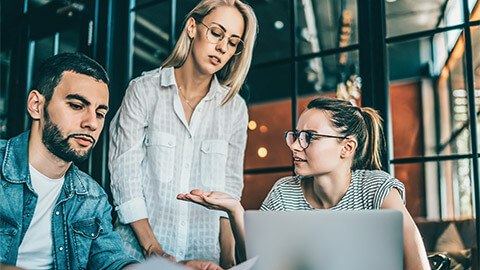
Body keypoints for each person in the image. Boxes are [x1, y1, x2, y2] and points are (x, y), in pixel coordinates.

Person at [178, 97, 431, 270]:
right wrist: (235, 210)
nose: (295, 146)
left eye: (309, 137)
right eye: (296, 135)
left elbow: (417, 266)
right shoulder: (284, 191)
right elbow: (256, 263)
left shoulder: (377, 189)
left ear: (347, 147)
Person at [108, 0, 257, 268]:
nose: (223, 47)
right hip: (137, 257)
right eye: (216, 33)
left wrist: (227, 259)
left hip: (204, 258)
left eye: (233, 42)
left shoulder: (235, 109)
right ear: (192, 27)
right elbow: (124, 177)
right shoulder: (143, 91)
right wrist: (153, 248)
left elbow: (230, 189)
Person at [0, 53, 138, 269]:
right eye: (76, 105)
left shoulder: (93, 197)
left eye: (100, 113)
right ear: (36, 105)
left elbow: (112, 261)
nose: (92, 123)